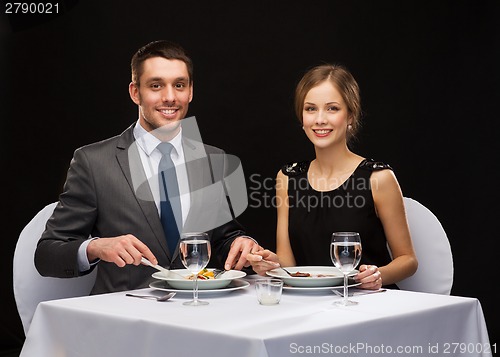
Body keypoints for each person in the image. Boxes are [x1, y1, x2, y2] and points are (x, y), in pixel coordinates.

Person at [34, 40, 260, 294]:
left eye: (179, 85)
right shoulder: (93, 162)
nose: (170, 97)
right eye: (156, 86)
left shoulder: (212, 159)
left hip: (199, 314)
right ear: (135, 92)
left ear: (191, 91)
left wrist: (243, 244)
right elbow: (46, 255)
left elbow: (222, 239)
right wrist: (95, 246)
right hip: (124, 319)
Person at [247, 64, 418, 290]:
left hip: (367, 303)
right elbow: (289, 263)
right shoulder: (287, 178)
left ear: (350, 115)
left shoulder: (378, 177)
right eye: (310, 109)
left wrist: (378, 275)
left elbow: (408, 260)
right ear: (302, 118)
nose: (320, 119)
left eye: (332, 108)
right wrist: (271, 264)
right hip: (310, 302)